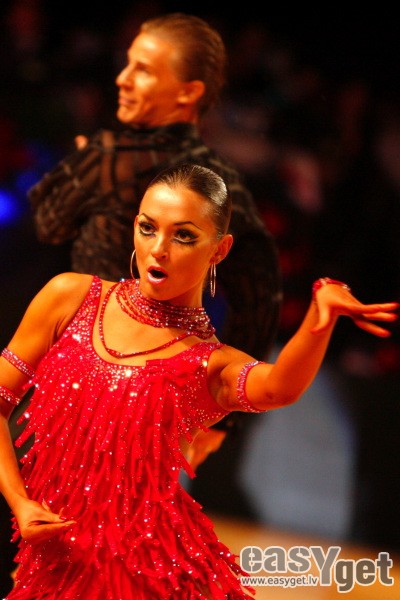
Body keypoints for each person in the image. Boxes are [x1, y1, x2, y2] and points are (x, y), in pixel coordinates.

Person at [0, 163, 398, 598]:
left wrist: (319, 321)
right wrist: (20, 502)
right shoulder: (70, 298)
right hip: (54, 564)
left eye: (184, 236)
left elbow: (279, 387)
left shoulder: (210, 364)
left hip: (151, 576)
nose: (159, 249)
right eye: (148, 228)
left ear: (219, 250)